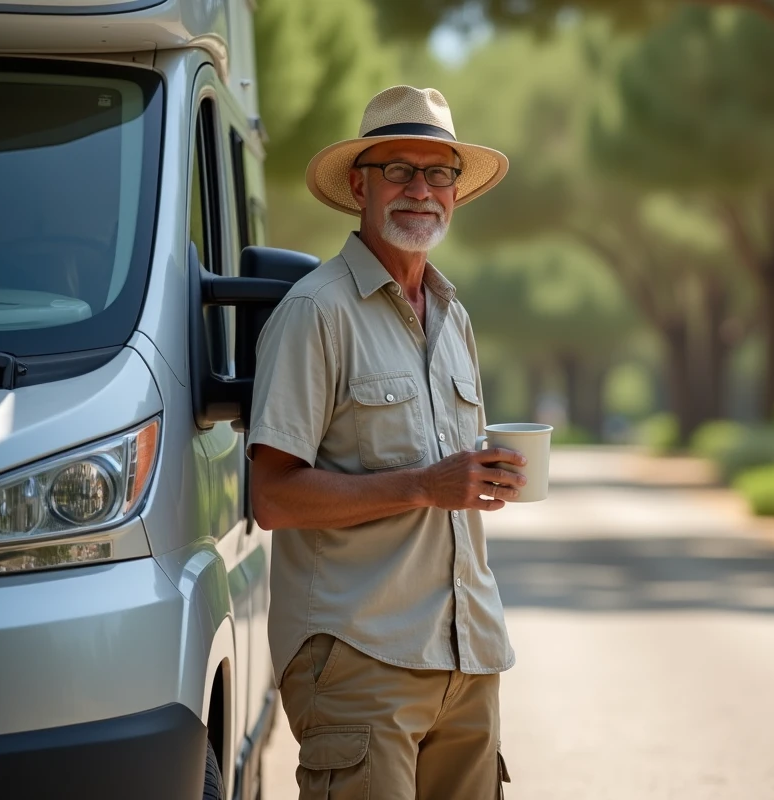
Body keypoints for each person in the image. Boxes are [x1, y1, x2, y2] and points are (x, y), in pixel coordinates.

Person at [248, 85, 521, 800]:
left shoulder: (454, 316)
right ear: (360, 187)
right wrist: (424, 486)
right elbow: (272, 496)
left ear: (456, 193)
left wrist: (480, 478)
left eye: (438, 174)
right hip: (357, 659)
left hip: (467, 660)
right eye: (399, 170)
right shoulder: (314, 311)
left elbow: (446, 477)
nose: (420, 191)